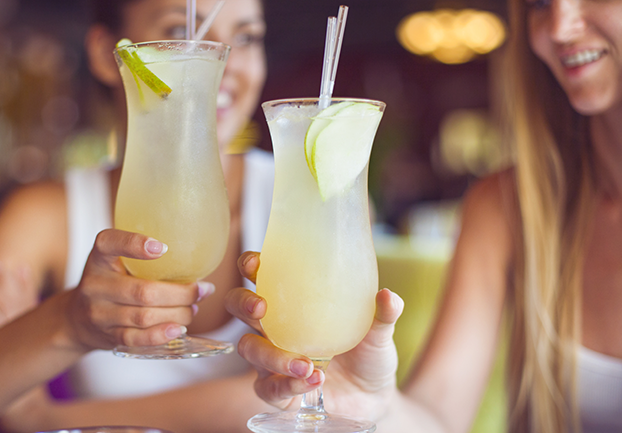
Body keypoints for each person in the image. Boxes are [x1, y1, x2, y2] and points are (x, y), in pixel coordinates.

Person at [226, 0, 622, 432]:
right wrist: (370, 402)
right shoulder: (510, 206)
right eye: (540, 4)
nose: (559, 27)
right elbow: (439, 418)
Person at [0, 1, 279, 432]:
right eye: (179, 30)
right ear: (107, 54)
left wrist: (45, 417)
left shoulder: (296, 201)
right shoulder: (43, 215)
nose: (220, 58)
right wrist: (65, 323)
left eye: (246, 37)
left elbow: (326, 401)